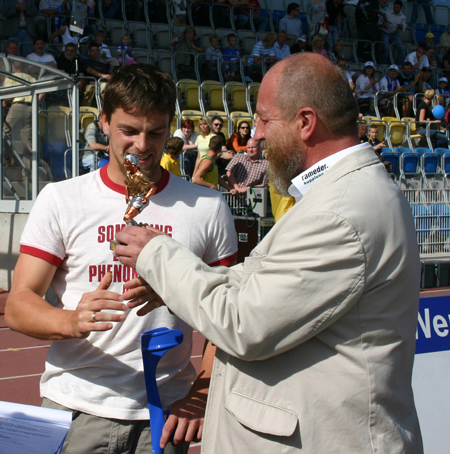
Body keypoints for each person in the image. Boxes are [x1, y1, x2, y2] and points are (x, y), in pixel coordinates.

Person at [114, 52, 423, 454]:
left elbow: (243, 324)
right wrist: (174, 285)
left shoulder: (339, 211)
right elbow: (263, 285)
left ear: (305, 122)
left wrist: (157, 254)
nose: (255, 135)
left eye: (263, 119)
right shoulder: (341, 195)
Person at [5, 63, 238, 454]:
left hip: (166, 412)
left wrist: (203, 391)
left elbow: (228, 310)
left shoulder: (207, 206)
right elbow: (18, 305)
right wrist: (71, 320)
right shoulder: (62, 199)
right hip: (77, 407)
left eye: (156, 132)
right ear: (104, 122)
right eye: (129, 130)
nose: (142, 145)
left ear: (171, 127)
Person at [378, 0, 407, 66]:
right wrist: (383, 25)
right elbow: (378, 23)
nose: (395, 9)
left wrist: (401, 26)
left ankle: (398, 66)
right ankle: (383, 65)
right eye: (395, 7)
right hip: (385, 32)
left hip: (394, 34)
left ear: (401, 8)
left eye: (397, 7)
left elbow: (404, 28)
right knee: (386, 47)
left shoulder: (403, 17)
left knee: (402, 49)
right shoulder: (387, 14)